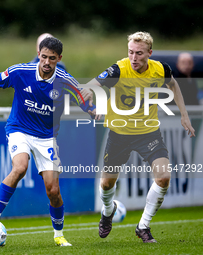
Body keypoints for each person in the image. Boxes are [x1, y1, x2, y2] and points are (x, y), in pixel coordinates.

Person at [0, 37, 95, 246]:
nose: (46, 62)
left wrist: (93, 111)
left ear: (59, 59)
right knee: (20, 168)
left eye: (52, 59)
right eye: (43, 57)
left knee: (53, 191)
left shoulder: (64, 79)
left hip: (46, 137)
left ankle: (59, 235)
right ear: (38, 54)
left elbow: (83, 98)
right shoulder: (20, 72)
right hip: (19, 130)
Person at [85, 31, 195, 243]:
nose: (134, 58)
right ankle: (107, 212)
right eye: (130, 52)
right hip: (119, 133)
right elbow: (92, 85)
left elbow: (173, 85)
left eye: (139, 53)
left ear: (149, 53)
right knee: (107, 184)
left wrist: (184, 115)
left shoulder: (161, 69)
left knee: (163, 177)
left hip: (148, 132)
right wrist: (91, 97)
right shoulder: (119, 69)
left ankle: (143, 226)